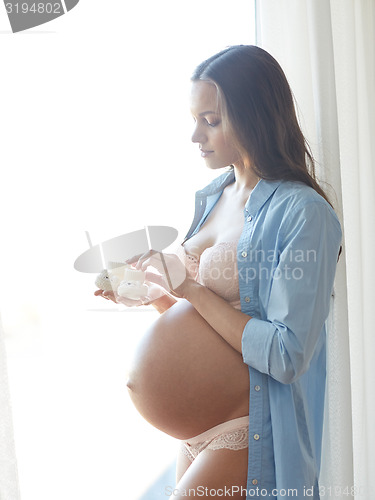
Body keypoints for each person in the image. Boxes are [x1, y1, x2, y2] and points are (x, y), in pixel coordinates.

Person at [96, 45, 342, 499]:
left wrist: (188, 288)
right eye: (194, 119)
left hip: (249, 423)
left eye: (210, 121)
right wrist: (155, 295)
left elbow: (287, 354)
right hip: (198, 430)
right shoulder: (214, 196)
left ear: (256, 117)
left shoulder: (303, 213)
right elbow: (214, 325)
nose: (195, 136)